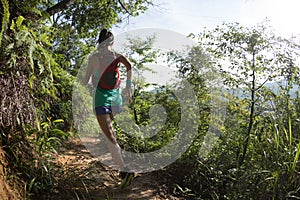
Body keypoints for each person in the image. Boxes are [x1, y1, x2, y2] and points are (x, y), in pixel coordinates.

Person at [83, 28, 134, 188]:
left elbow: (84, 81)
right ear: (112, 42)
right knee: (110, 133)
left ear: (99, 42)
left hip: (102, 99)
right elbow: (129, 66)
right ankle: (116, 157)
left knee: (110, 136)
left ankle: (124, 170)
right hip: (116, 99)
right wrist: (128, 88)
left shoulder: (94, 58)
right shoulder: (117, 56)